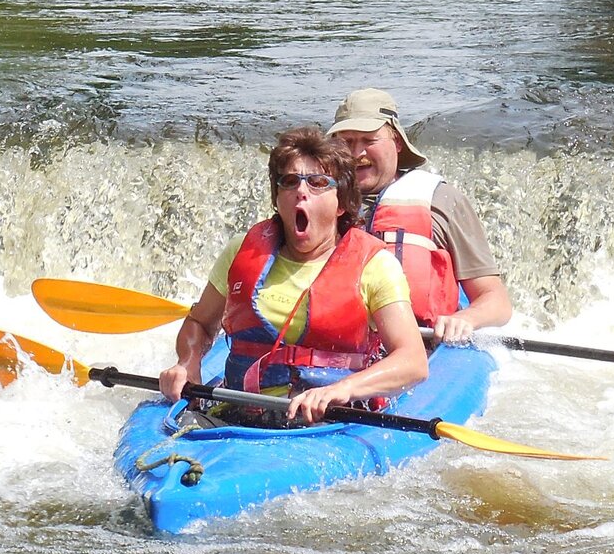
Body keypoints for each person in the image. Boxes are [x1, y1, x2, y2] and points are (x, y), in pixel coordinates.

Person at [158, 127, 428, 425]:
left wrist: (342, 389)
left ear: (341, 203)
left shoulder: (375, 265)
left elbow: (413, 362)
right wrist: (188, 362)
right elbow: (199, 323)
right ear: (277, 199)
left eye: (318, 183)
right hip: (239, 411)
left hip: (329, 421)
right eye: (289, 182)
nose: (301, 191)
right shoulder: (241, 251)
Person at [327, 88, 512, 345]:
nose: (357, 153)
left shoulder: (442, 200)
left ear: (397, 142)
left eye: (369, 140)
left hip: (421, 343)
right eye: (347, 142)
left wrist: (466, 319)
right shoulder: (312, 196)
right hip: (337, 345)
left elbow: (496, 300)